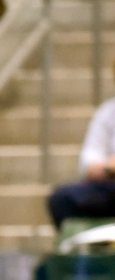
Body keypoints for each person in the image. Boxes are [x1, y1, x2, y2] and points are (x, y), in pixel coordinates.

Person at [45, 72, 115, 224]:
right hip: (110, 187)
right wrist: (110, 167)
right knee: (62, 199)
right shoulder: (108, 112)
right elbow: (89, 165)